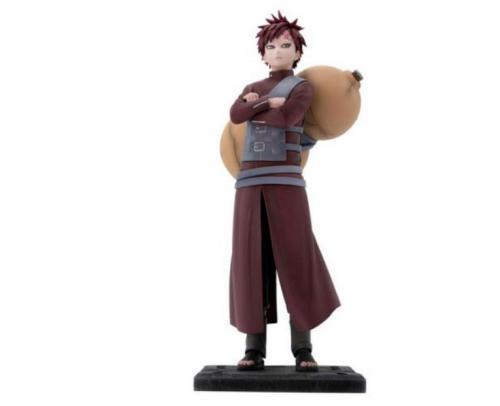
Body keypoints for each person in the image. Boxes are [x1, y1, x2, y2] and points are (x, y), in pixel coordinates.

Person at [228, 11, 340, 372]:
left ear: (297, 52)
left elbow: (288, 118)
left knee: (296, 259)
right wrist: (264, 104)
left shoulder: (301, 88)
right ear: (263, 53)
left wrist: (255, 107)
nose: (278, 51)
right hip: (249, 183)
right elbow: (235, 114)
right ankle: (253, 349)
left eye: (286, 45)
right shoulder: (254, 86)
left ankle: (303, 349)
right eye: (272, 46)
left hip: (287, 182)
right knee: (250, 261)